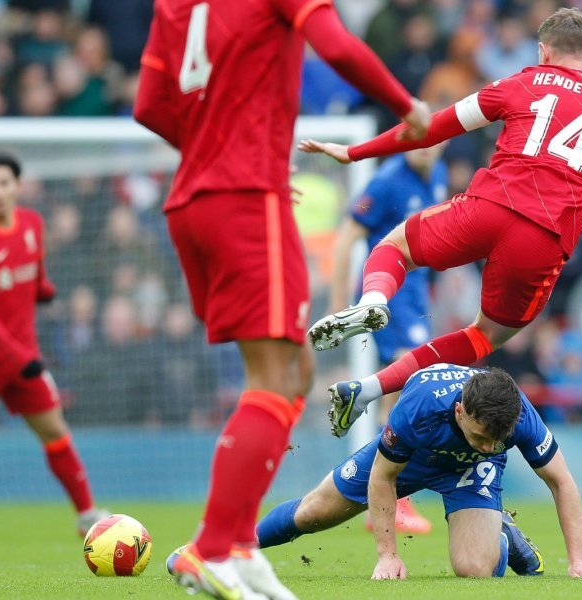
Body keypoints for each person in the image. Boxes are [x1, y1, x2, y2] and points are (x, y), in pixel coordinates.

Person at [300, 7, 582, 437]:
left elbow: (433, 128)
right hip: (543, 240)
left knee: (393, 246)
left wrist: (354, 153)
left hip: (487, 208)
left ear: (542, 51)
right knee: (484, 336)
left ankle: (373, 302)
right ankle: (367, 390)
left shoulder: (523, 81)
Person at [133, 0, 430, 597]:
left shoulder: (174, 6)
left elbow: (149, 105)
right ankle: (212, 548)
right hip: (244, 198)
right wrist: (408, 107)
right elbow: (338, 45)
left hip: (195, 199)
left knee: (295, 370)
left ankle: (239, 546)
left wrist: (213, 153)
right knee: (272, 379)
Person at [254, 364, 582, 580]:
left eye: (496, 440)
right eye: (481, 436)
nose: (488, 445)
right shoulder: (419, 406)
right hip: (413, 457)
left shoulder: (519, 416)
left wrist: (578, 560)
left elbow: (561, 482)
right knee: (313, 512)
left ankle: (500, 535)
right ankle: (232, 546)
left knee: (473, 570)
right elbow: (383, 476)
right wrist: (388, 556)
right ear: (460, 411)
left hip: (470, 471)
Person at [0, 153, 108, 536]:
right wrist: (19, 356)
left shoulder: (31, 223)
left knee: (56, 432)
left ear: (17, 186)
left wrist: (44, 290)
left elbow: (36, 269)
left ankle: (86, 514)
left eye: (4, 183)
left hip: (23, 360)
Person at [329, 145, 447, 533]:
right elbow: (346, 236)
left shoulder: (439, 174)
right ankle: (391, 499)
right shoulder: (386, 181)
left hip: (416, 298)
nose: (430, 148)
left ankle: (389, 498)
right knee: (404, 387)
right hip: (392, 296)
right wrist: (338, 306)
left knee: (405, 389)